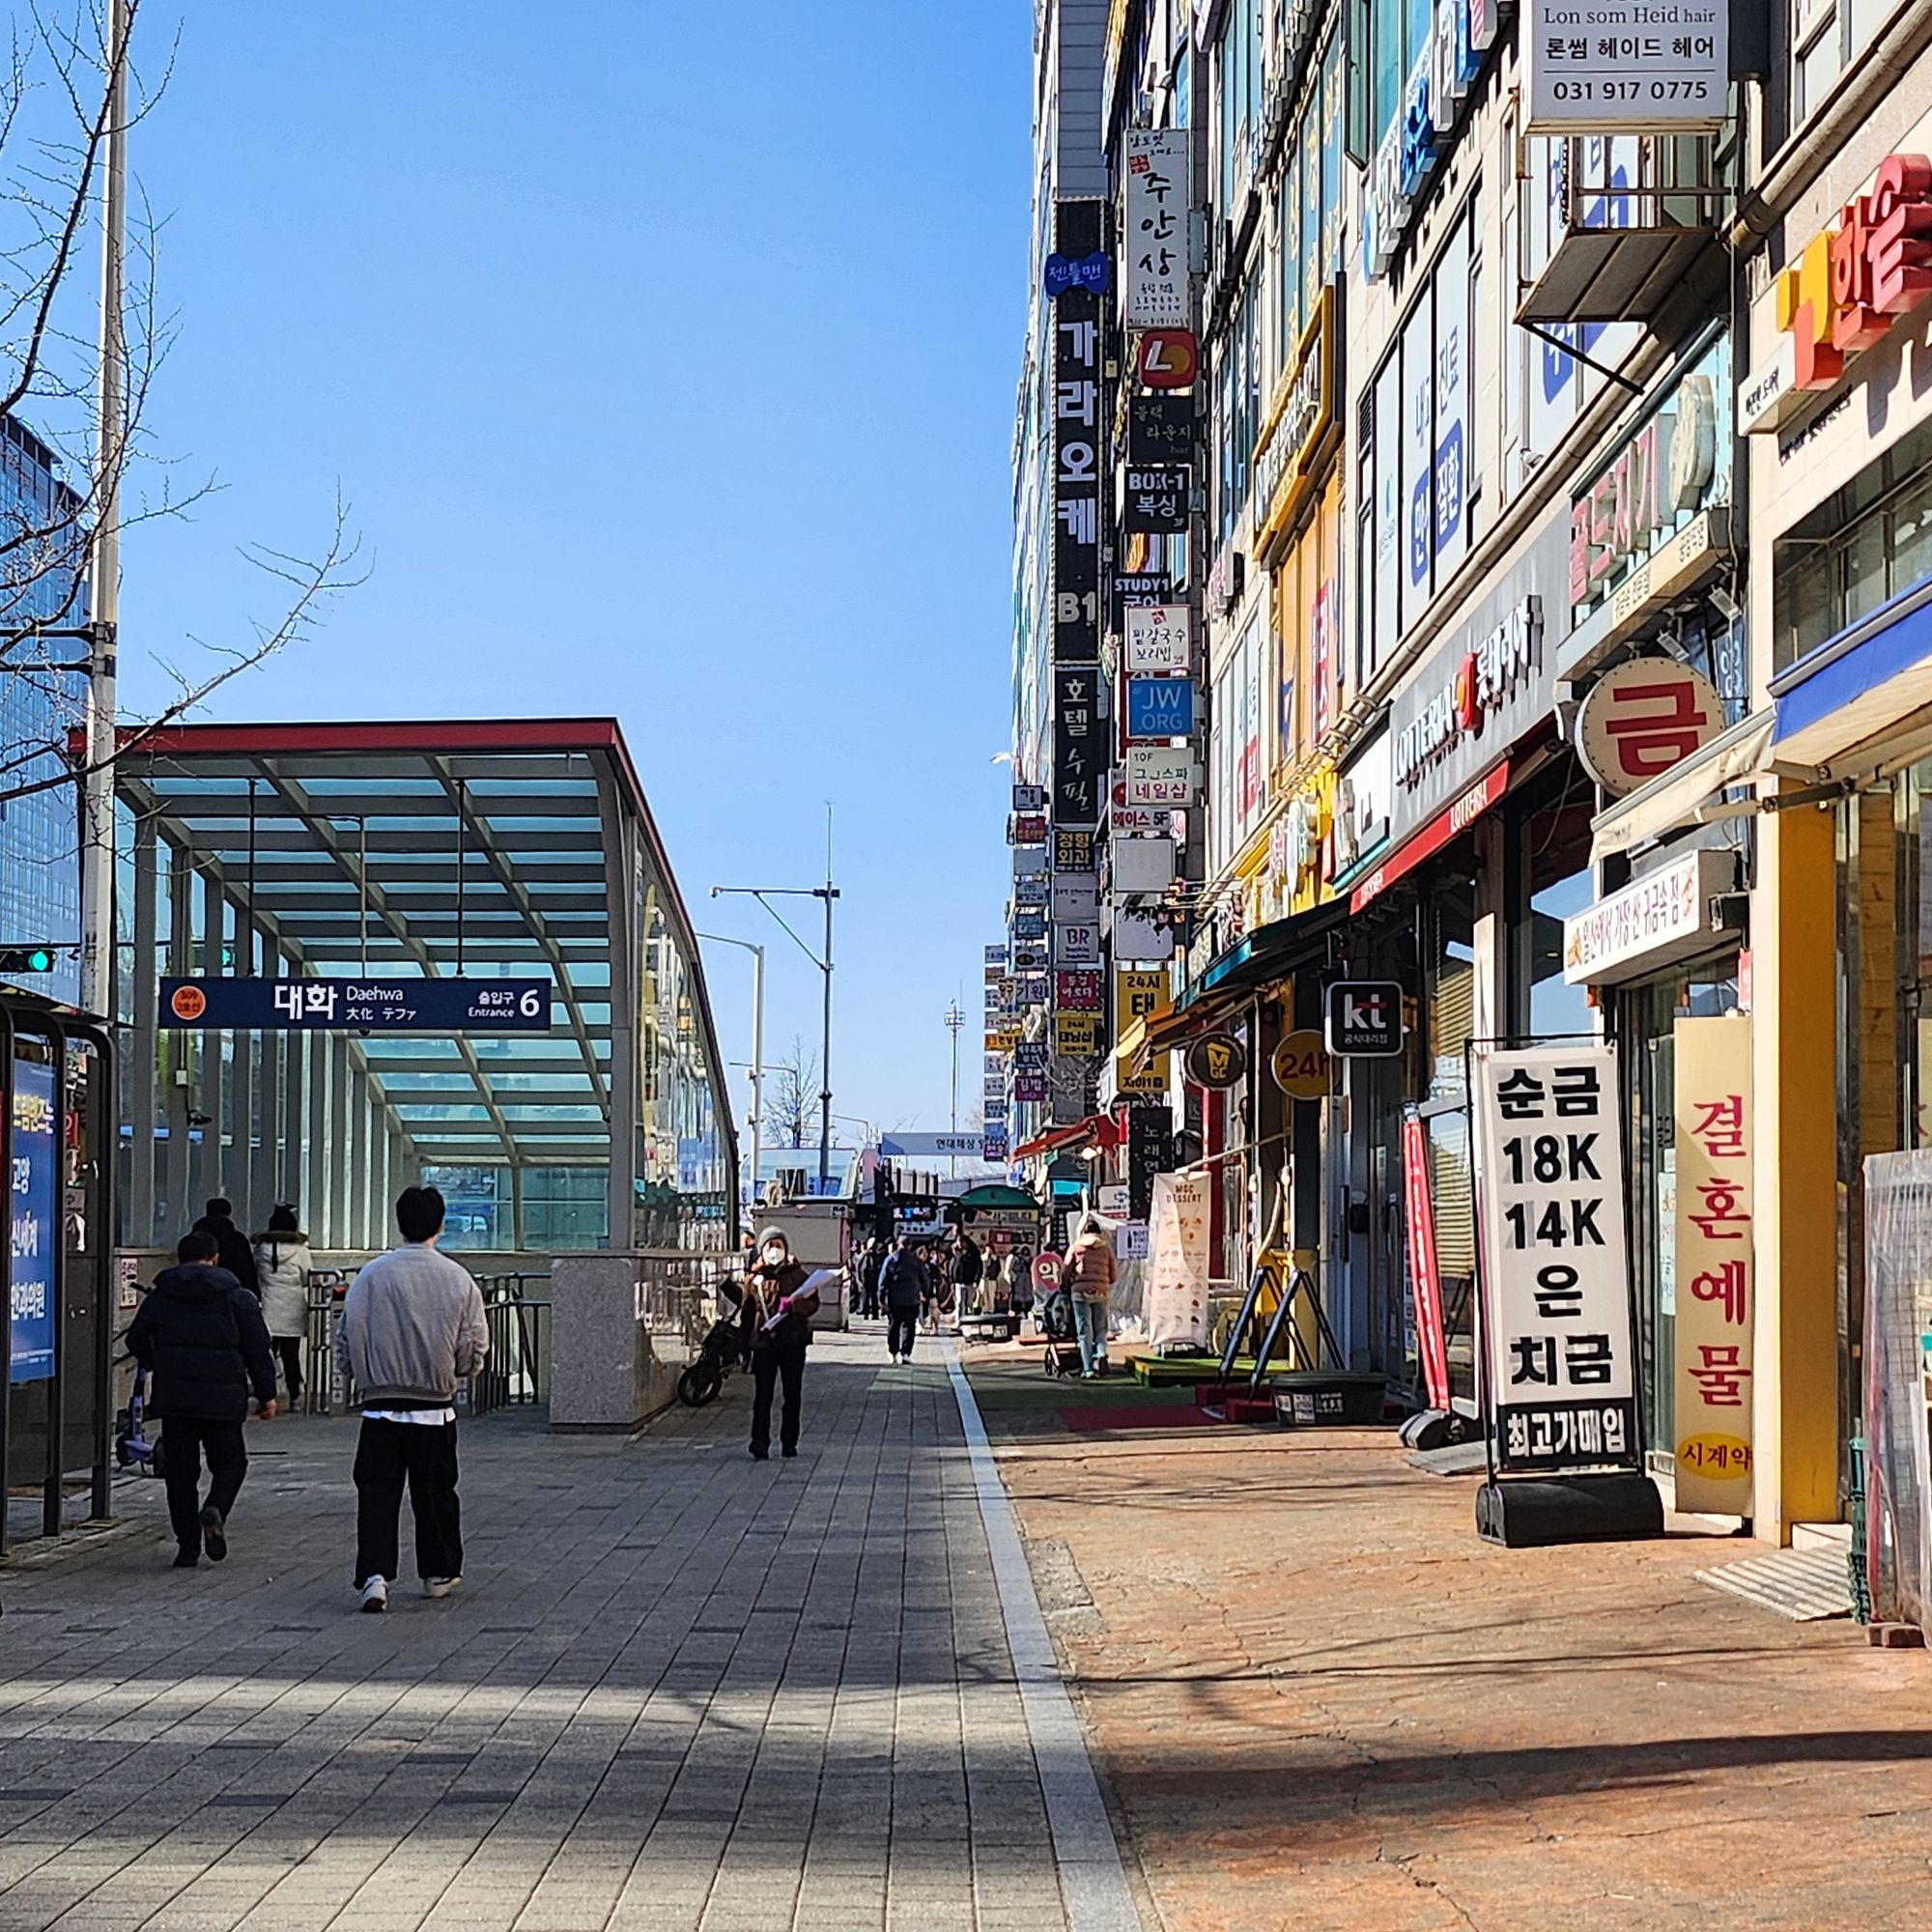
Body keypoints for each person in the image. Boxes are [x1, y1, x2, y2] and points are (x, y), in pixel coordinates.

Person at [339, 1185, 489, 1614]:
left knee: (377, 1494)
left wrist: (357, 1374)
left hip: (379, 1406)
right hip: (434, 1409)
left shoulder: (370, 1276)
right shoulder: (457, 1278)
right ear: (440, 1224)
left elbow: (346, 1337)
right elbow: (473, 1344)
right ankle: (438, 1572)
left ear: (399, 1222)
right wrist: (461, 1371)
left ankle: (374, 1576)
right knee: (436, 1493)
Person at [127, 1230, 277, 1569]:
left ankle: (187, 1547)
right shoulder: (237, 1298)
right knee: (231, 1463)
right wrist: (266, 1393)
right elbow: (258, 1348)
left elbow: (136, 1339)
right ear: (215, 1259)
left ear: (180, 1259)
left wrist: (158, 1362)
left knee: (180, 1474)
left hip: (175, 1400)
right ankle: (215, 1508)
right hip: (223, 1400)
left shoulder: (161, 1297)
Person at [725, 1226, 820, 1461]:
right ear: (762, 1250)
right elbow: (747, 1314)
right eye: (770, 1246)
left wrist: (795, 1306)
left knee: (792, 1394)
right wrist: (744, 1345)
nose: (774, 1251)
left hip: (793, 1341)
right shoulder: (754, 1279)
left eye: (779, 1246)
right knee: (763, 1395)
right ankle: (759, 1442)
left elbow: (813, 1303)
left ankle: (789, 1442)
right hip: (764, 1343)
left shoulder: (799, 1275)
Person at [253, 1204, 313, 1406]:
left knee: (266, 1354)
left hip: (268, 1305)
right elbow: (307, 1277)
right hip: (293, 1307)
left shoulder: (261, 1249)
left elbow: (257, 1275)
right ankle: (294, 1395)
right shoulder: (300, 1250)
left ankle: (267, 1395)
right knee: (291, 1355)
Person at [1065, 1215, 1117, 1379]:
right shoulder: (1106, 1250)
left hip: (1080, 1293)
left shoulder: (1076, 1247)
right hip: (1101, 1292)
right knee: (1100, 1328)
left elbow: (1065, 1271)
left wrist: (1066, 1283)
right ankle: (1100, 1354)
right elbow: (1113, 1276)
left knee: (1084, 1331)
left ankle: (1088, 1369)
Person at [192, 1197, 260, 1297]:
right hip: (230, 1295)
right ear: (228, 1213)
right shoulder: (237, 1239)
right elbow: (246, 1272)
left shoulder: (194, 1240)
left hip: (197, 1294)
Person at [879, 1234, 926, 1364]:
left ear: (898, 1244)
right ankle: (905, 1353)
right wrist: (925, 1293)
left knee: (894, 1326)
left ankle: (893, 1352)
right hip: (912, 1298)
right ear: (910, 1245)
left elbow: (883, 1280)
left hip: (894, 1299)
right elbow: (924, 1279)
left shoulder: (890, 1259)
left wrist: (881, 1299)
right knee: (909, 1326)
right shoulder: (916, 1261)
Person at [949, 1230, 984, 1319]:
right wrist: (952, 1280)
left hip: (970, 1282)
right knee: (959, 1302)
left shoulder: (974, 1253)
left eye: (962, 1242)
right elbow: (952, 1267)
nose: (960, 1244)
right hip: (959, 1282)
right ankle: (960, 1319)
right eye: (958, 1242)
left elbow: (979, 1268)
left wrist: (976, 1280)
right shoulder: (956, 1254)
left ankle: (970, 1319)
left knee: (969, 1302)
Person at [857, 1235, 887, 1321]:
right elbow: (859, 1267)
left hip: (870, 1277)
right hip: (868, 1277)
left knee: (871, 1295)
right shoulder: (867, 1255)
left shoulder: (871, 1255)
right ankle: (870, 1313)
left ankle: (871, 1313)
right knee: (868, 1295)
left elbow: (859, 1267)